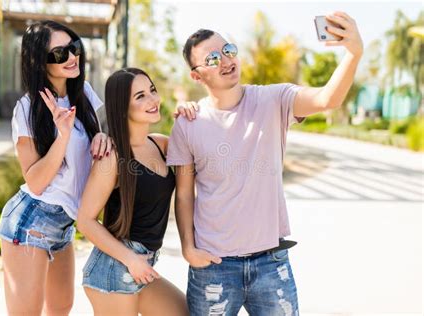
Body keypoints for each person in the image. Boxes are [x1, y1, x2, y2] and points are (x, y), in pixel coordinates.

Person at [167, 12, 363, 315]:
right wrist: (187, 248)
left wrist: (353, 54)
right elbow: (183, 194)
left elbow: (327, 99)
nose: (226, 61)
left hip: (270, 263)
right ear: (196, 75)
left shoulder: (274, 99)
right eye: (213, 58)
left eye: (229, 50)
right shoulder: (187, 123)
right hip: (214, 267)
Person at [0, 20, 110, 315]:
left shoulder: (82, 93)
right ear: (39, 62)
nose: (72, 58)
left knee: (61, 308)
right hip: (32, 221)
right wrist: (63, 136)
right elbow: (35, 182)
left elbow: (105, 135)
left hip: (63, 224)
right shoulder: (27, 108)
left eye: (74, 48)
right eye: (60, 54)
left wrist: (101, 135)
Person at [77, 68, 188, 316]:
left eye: (152, 90)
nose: (152, 100)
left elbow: (198, 163)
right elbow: (84, 220)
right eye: (140, 96)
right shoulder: (112, 157)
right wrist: (130, 259)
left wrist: (190, 115)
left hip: (143, 265)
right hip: (115, 270)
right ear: (122, 107)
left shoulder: (161, 144)